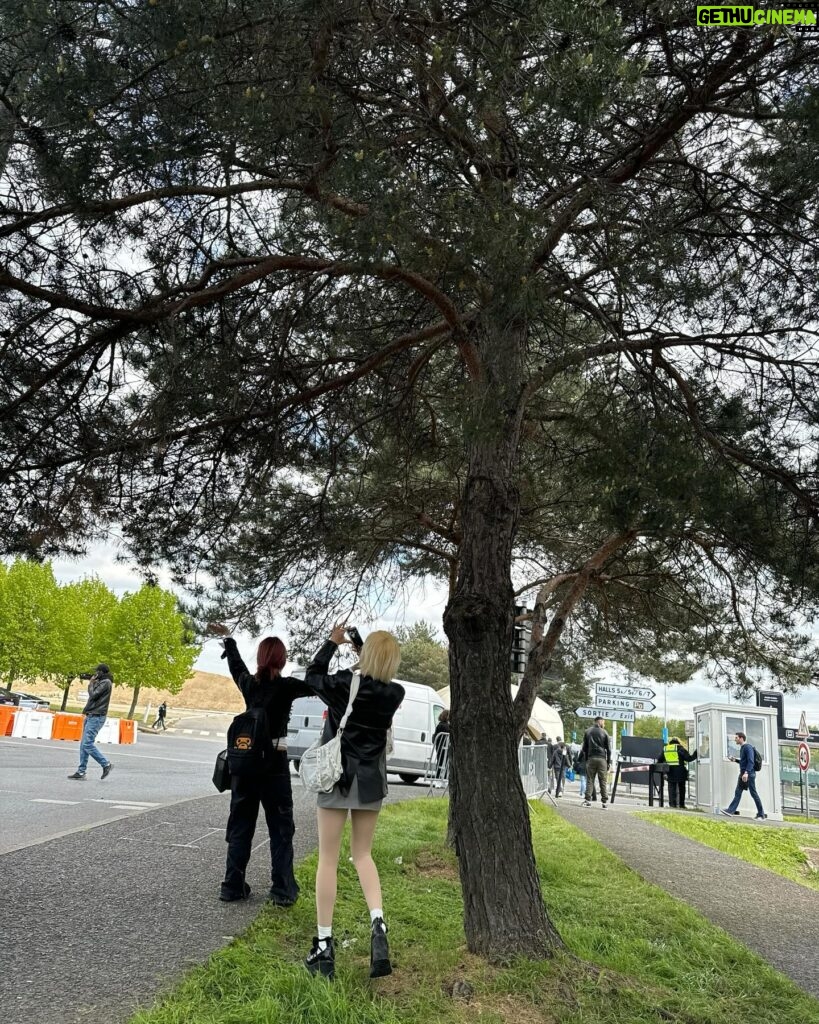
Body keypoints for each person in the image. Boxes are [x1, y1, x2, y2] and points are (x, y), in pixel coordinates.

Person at [301, 625, 405, 980]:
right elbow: (376, 675)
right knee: (363, 855)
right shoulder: (396, 693)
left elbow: (313, 676)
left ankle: (324, 946)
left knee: (328, 859)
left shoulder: (346, 684)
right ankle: (378, 925)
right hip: (371, 781)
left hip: (337, 775)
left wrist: (333, 643)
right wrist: (364, 648)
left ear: (366, 656)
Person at [207, 623, 312, 905]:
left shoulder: (249, 684)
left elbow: (236, 666)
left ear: (261, 658)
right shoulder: (287, 687)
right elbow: (315, 680)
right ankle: (282, 889)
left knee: (241, 824)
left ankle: (232, 885)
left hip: (246, 764)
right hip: (274, 765)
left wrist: (229, 639)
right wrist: (331, 646)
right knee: (280, 828)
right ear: (282, 659)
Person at [67, 664, 114, 780]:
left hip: (97, 717)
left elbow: (93, 695)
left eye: (97, 672)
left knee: (87, 744)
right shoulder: (101, 682)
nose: (95, 674)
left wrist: (91, 683)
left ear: (102, 672)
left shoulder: (106, 682)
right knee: (84, 745)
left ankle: (106, 764)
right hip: (91, 715)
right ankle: (81, 771)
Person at [721, 731, 766, 820]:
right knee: (738, 792)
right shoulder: (743, 748)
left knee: (753, 793)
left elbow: (751, 761)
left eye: (736, 738)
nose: (735, 740)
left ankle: (761, 814)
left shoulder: (747, 747)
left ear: (741, 738)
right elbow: (744, 762)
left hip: (748, 774)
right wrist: (735, 760)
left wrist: (746, 773)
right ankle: (730, 810)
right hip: (744, 773)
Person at [658, 736, 697, 809]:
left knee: (671, 788)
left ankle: (672, 805)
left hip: (670, 771)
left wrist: (664, 772)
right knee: (681, 788)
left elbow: (659, 760)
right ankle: (681, 805)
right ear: (678, 742)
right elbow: (689, 758)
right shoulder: (680, 748)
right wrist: (696, 752)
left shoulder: (665, 749)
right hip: (680, 772)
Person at [581, 715, 611, 808]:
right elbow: (609, 750)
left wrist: (587, 760)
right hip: (602, 759)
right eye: (604, 722)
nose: (604, 724)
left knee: (590, 780)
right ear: (600, 721)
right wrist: (608, 762)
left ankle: (587, 800)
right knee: (603, 781)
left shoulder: (587, 731)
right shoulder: (605, 732)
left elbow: (584, 748)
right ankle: (604, 802)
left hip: (591, 758)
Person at [432, 709, 450, 781]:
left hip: (440, 746)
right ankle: (441, 779)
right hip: (443, 747)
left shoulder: (440, 724)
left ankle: (440, 778)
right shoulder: (444, 726)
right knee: (443, 763)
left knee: (441, 762)